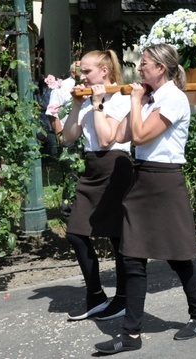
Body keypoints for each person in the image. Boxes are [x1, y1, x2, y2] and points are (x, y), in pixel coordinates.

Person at [96, 44, 196, 354]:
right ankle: (131, 335)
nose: (139, 69)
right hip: (141, 177)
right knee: (132, 256)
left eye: (144, 64)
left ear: (161, 68)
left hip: (165, 180)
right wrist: (115, 103)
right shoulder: (149, 98)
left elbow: (144, 135)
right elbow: (121, 136)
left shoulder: (174, 99)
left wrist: (136, 102)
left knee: (177, 257)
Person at [61, 50, 132, 322]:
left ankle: (123, 299)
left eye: (87, 71)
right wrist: (78, 105)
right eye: (82, 71)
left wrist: (99, 103)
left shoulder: (120, 99)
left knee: (117, 237)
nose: (82, 76)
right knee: (76, 233)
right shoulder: (89, 99)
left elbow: (106, 139)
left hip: (115, 166)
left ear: (104, 71)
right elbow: (68, 137)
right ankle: (96, 295)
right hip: (92, 167)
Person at [47, 60, 80, 136]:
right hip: (69, 138)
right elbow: (52, 114)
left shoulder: (90, 86)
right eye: (83, 71)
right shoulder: (61, 87)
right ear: (73, 73)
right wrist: (61, 138)